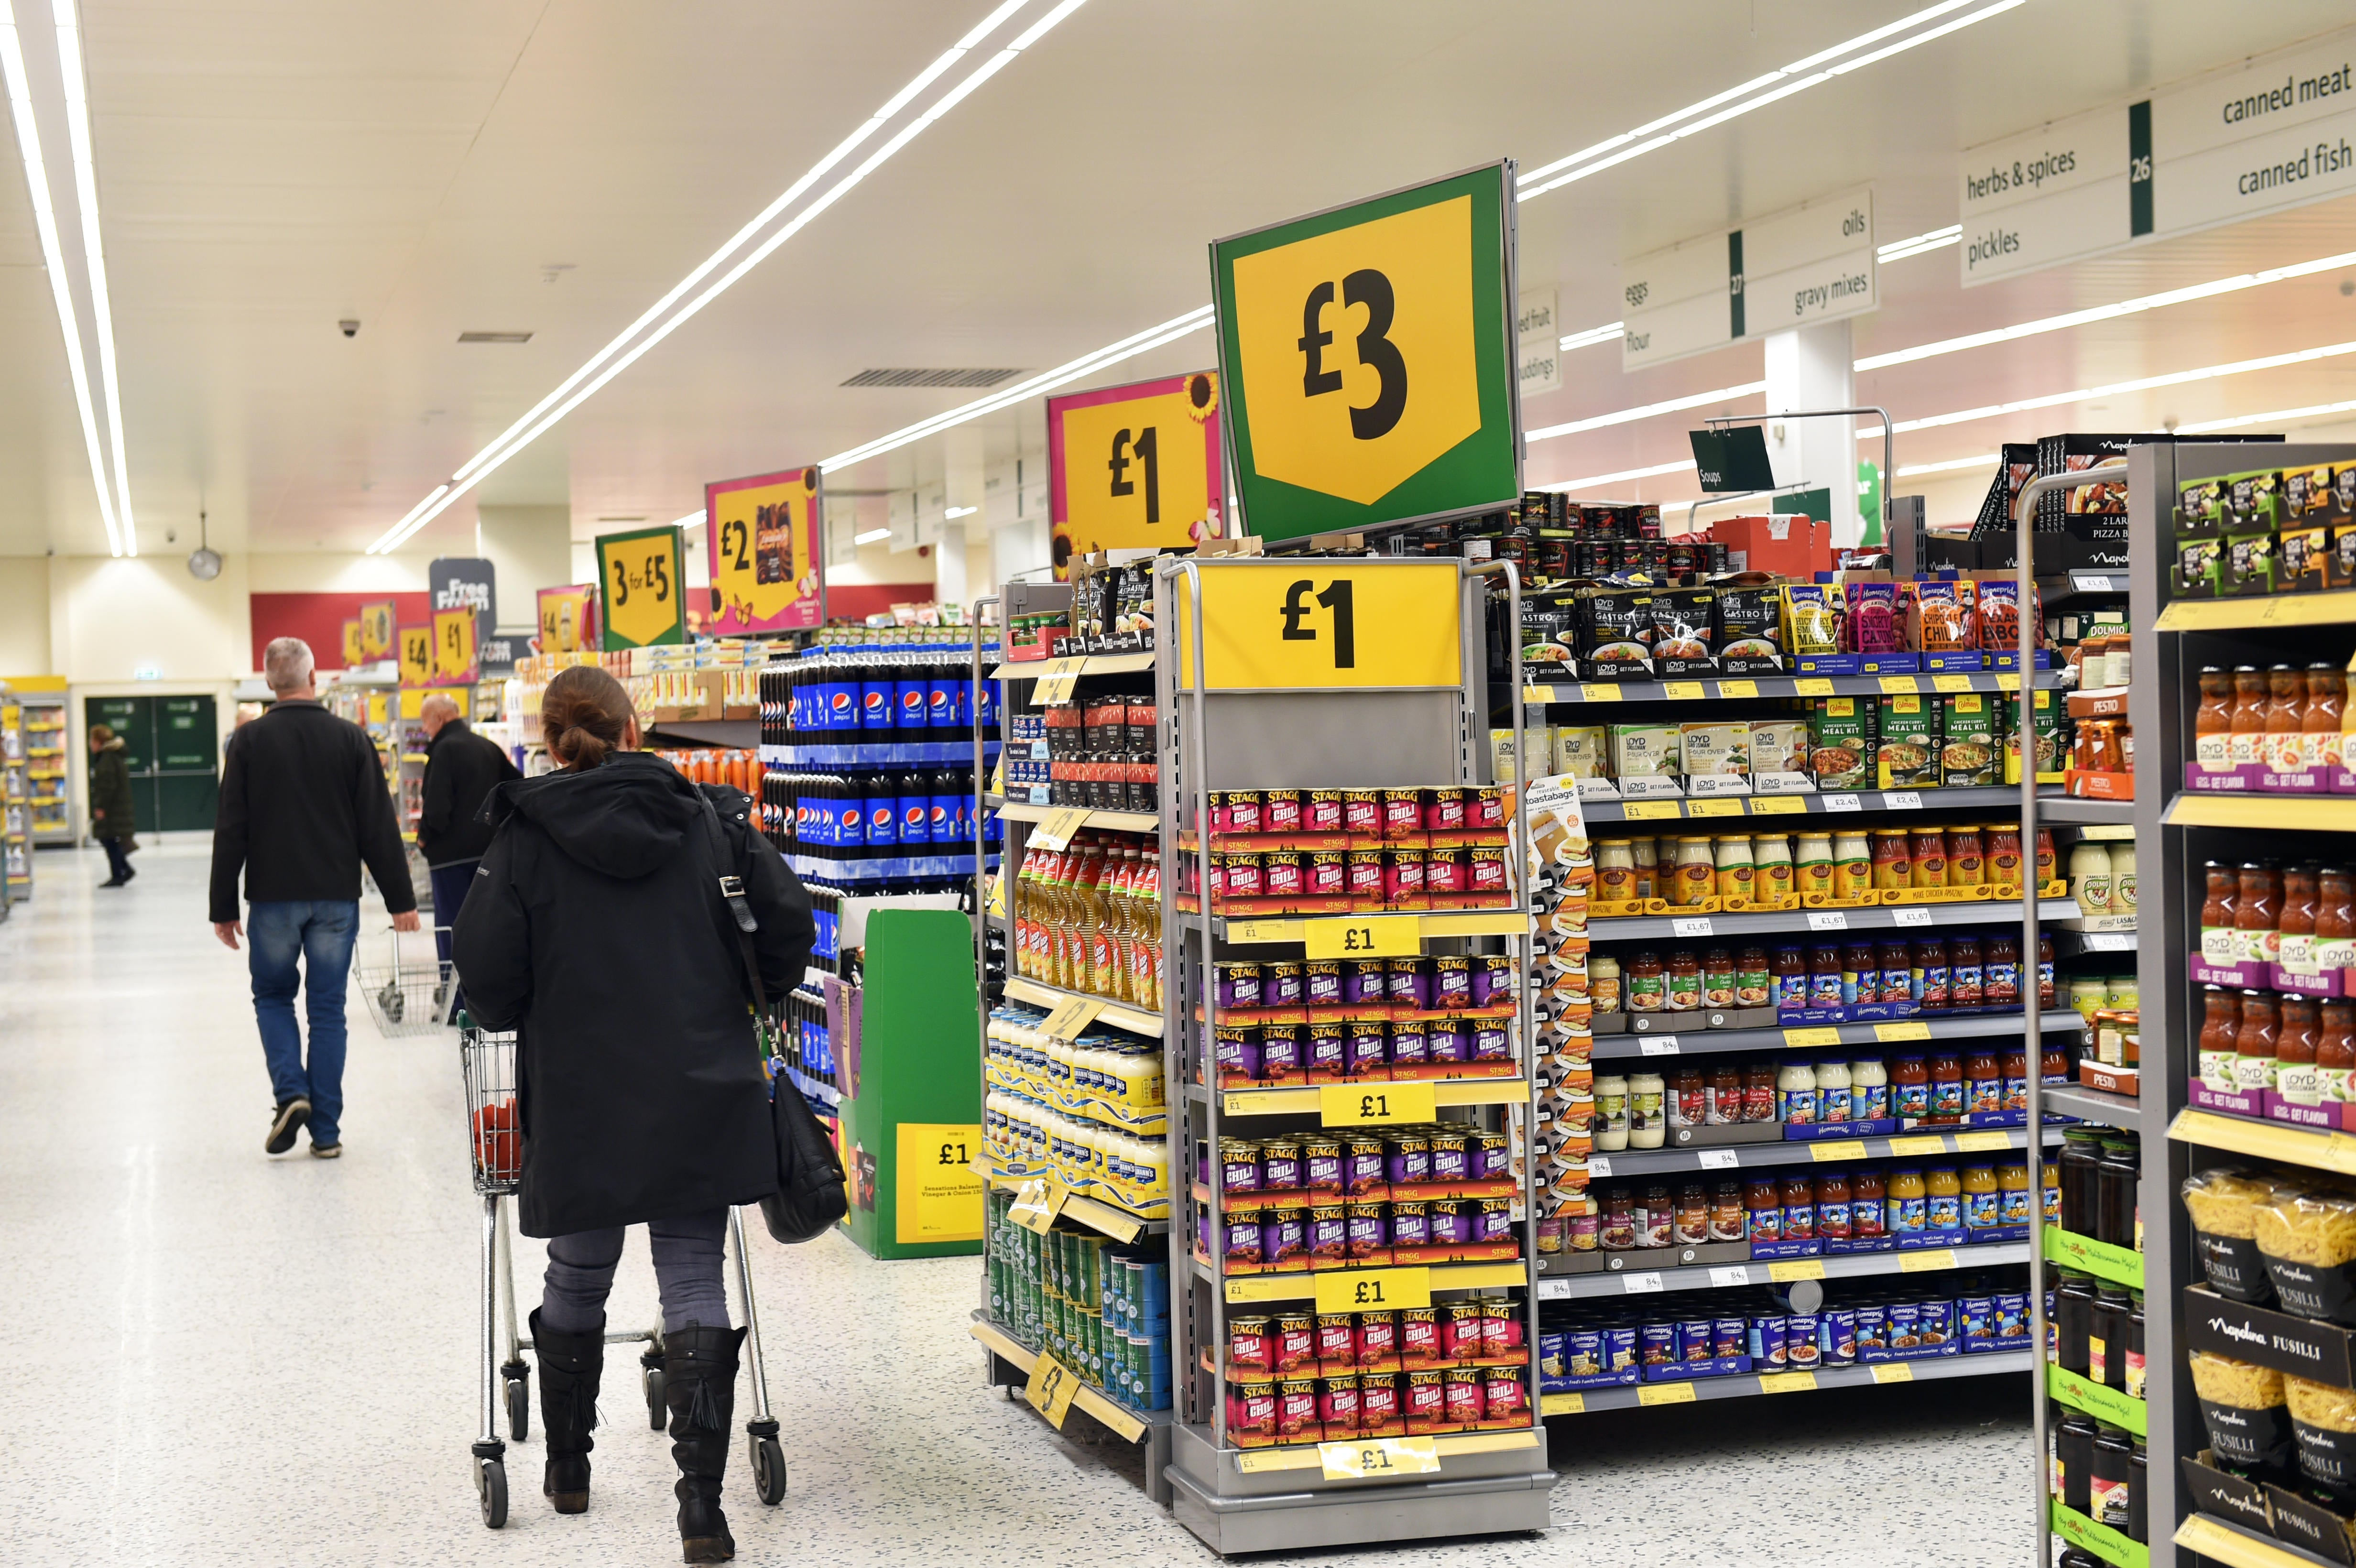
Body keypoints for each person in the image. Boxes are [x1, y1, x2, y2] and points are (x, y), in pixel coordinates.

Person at [454, 665, 811, 1563]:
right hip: (701, 1089)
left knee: (579, 1274)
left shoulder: (523, 837)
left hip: (580, 1101)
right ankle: (700, 1513)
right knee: (693, 1277)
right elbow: (788, 932)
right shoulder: (708, 820)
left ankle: (568, 1472)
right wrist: (744, 991)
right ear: (634, 726)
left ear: (547, 738)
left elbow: (489, 991)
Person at [210, 636, 421, 1158]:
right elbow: (377, 825)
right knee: (328, 1011)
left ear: (268, 682)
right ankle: (325, 1132)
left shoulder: (248, 742)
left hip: (272, 897)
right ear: (314, 679)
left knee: (273, 997)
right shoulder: (350, 738)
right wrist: (401, 898)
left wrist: (223, 906)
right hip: (334, 897)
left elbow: (231, 827)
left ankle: (291, 1093)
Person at [415, 691, 519, 1012]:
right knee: (486, 925)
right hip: (489, 854)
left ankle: (456, 1003)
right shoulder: (488, 747)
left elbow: (437, 808)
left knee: (451, 927)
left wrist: (425, 839)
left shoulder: (445, 750)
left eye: (426, 724)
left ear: (439, 718)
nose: (425, 731)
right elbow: (516, 786)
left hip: (450, 859)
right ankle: (489, 999)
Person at [87, 723, 136, 887]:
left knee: (108, 839)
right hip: (117, 807)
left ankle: (119, 874)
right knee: (109, 840)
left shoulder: (107, 759)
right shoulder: (113, 756)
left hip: (112, 809)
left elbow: (107, 786)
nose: (90, 744)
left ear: (98, 741)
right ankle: (124, 870)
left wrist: (101, 807)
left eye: (91, 740)